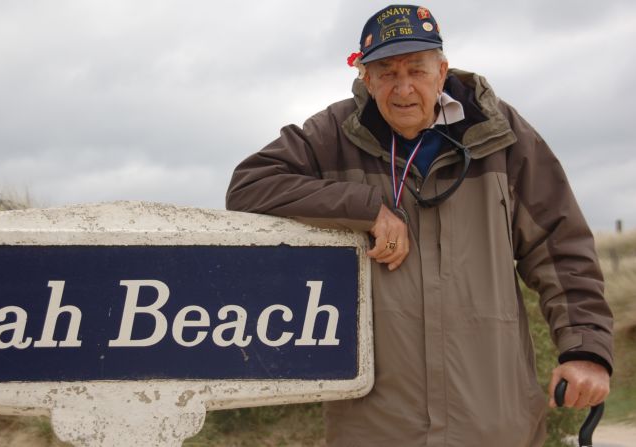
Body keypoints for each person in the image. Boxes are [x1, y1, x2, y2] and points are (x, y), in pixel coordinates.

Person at [225, 5, 613, 446]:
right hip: (375, 428)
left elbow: (560, 246)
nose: (403, 87)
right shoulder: (332, 133)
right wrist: (365, 206)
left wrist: (585, 350)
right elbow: (250, 184)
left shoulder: (501, 134)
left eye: (417, 69)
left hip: (494, 423)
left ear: (442, 71)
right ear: (366, 79)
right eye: (386, 72)